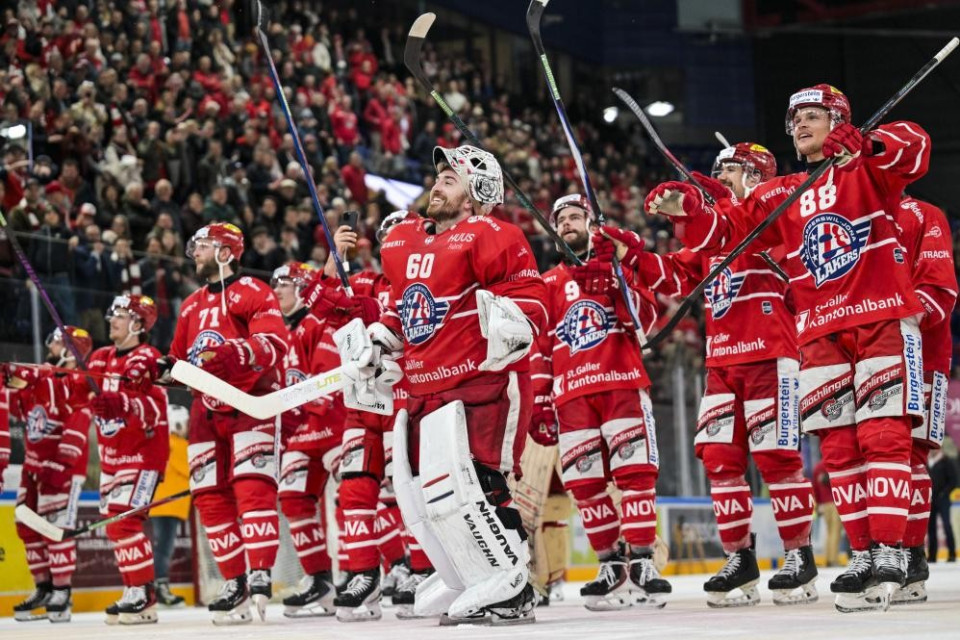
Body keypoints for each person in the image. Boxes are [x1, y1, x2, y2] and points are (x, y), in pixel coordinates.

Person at [643, 84, 931, 612]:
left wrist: (867, 144)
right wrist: (687, 207)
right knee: (840, 449)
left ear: (839, 119)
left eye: (813, 116)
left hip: (878, 316)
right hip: (819, 329)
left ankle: (892, 547)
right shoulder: (780, 194)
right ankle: (864, 552)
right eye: (793, 118)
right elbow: (727, 230)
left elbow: (914, 145)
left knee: (883, 436)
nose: (799, 124)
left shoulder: (865, 169)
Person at [338, 145, 548, 624]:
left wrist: (512, 325)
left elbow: (529, 298)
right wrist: (380, 341)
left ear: (477, 194)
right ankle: (465, 573)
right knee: (429, 495)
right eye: (438, 176)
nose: (437, 184)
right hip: (425, 389)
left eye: (451, 179)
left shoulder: (491, 233)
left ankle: (511, 583)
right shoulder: (408, 241)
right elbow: (404, 306)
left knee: (480, 482)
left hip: (480, 384)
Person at [602, 144, 818, 606]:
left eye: (730, 170)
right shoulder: (713, 238)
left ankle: (799, 557)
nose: (720, 176)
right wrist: (630, 252)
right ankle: (739, 558)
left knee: (777, 459)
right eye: (717, 170)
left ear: (757, 175)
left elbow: (751, 229)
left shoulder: (776, 215)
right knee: (720, 460)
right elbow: (676, 279)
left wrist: (717, 210)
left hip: (770, 356)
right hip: (721, 363)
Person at [531, 193, 668, 611]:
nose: (569, 222)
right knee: (585, 485)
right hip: (571, 395)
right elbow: (540, 347)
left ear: (593, 227)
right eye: (562, 218)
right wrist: (540, 399)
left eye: (577, 216)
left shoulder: (617, 267)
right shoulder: (548, 283)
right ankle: (610, 563)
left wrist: (615, 282)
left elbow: (646, 324)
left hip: (621, 384)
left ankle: (643, 562)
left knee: (635, 475)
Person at [165, 222, 289, 625]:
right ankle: (234, 580)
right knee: (209, 497)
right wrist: (156, 369)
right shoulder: (190, 306)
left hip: (251, 403)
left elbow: (274, 346)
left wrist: (234, 352)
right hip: (206, 412)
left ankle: (259, 574)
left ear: (225, 252)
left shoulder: (254, 292)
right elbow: (178, 362)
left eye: (202, 246)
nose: (195, 253)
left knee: (253, 491)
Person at [89, 295, 170, 625]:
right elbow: (79, 392)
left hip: (142, 455)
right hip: (111, 456)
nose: (112, 320)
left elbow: (154, 409)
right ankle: (132, 589)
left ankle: (144, 595)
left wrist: (122, 402)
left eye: (120, 315)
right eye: (112, 314)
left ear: (138, 324)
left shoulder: (147, 357)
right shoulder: (101, 357)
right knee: (114, 526)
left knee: (126, 521)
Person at [270, 261, 345, 618]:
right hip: (301, 433)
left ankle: (391, 571)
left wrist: (302, 411)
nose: (277, 290)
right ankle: (320, 580)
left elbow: (326, 377)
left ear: (302, 288)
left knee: (358, 498)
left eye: (284, 283)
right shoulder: (279, 333)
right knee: (293, 498)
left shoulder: (320, 322)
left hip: (333, 424)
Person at [892, 195, 957, 601]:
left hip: (923, 355)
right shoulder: (848, 211)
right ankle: (883, 553)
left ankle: (912, 555)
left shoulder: (924, 213)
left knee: (911, 453)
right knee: (871, 451)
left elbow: (940, 289)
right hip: (863, 351)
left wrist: (886, 316)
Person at [5, 327, 92, 623]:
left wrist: (62, 464)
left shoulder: (78, 381)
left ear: (72, 350)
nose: (51, 346)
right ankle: (43, 587)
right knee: (27, 527)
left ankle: (62, 591)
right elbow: (21, 409)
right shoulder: (43, 379)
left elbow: (80, 419)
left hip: (62, 468)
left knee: (54, 528)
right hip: (33, 466)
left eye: (57, 341)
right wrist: (14, 383)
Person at [149, 403, 191, 608]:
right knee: (163, 548)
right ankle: (159, 588)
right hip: (166, 505)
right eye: (185, 422)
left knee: (163, 547)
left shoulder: (167, 442)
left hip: (164, 505)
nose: (187, 427)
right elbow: (190, 469)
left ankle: (156, 587)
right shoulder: (176, 443)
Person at [927, 444, 958, 562]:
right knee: (931, 528)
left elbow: (953, 480)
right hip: (930, 500)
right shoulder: (928, 462)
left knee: (946, 526)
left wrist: (944, 493)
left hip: (943, 500)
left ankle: (952, 554)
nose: (932, 450)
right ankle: (932, 555)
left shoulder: (946, 461)